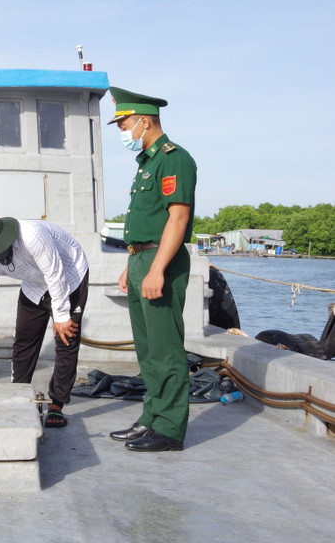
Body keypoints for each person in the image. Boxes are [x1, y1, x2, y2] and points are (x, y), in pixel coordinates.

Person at [107, 87, 197, 452]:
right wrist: (133, 265)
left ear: (145, 120)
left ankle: (171, 429)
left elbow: (178, 217)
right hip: (142, 257)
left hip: (163, 258)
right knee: (147, 350)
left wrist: (157, 269)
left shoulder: (173, 159)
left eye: (124, 123)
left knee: (165, 348)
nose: (122, 131)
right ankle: (151, 418)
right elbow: (145, 221)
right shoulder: (146, 162)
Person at [0, 212, 89, 428]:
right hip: (34, 284)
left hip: (69, 276)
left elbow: (55, 274)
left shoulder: (32, 235)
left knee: (66, 339)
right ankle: (19, 392)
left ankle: (57, 404)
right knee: (24, 338)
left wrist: (61, 316)